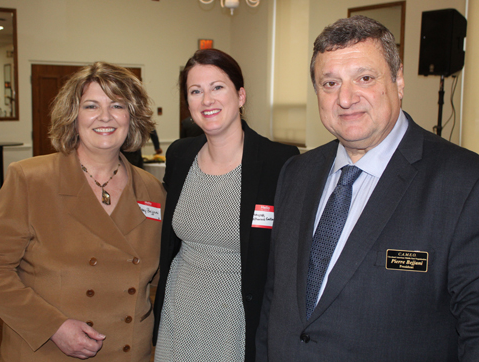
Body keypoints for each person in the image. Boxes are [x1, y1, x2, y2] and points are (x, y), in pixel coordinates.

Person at [256, 16, 479, 361]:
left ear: (399, 80)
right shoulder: (297, 172)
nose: (346, 98)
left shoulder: (463, 182)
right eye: (329, 83)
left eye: (365, 78)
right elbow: (275, 299)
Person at [0, 62, 165, 361]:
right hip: (49, 349)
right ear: (73, 116)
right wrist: (54, 327)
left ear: (132, 117)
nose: (105, 117)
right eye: (91, 105)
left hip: (128, 350)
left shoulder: (153, 190)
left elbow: (162, 272)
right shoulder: (31, 179)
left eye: (117, 105)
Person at [153, 49, 299, 362]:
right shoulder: (179, 155)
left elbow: (289, 256)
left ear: (241, 95)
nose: (207, 100)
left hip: (240, 318)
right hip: (180, 313)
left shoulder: (279, 161)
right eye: (196, 91)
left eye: (217, 87)